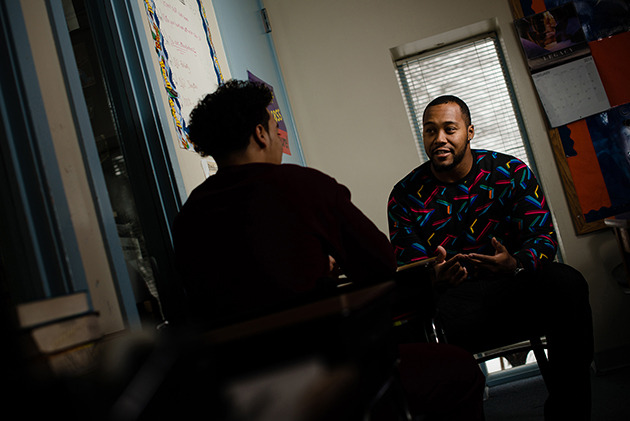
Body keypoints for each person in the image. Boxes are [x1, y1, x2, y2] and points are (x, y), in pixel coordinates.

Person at [173, 81, 485, 420]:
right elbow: (381, 266)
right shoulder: (306, 186)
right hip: (327, 376)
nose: (281, 137)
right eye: (276, 128)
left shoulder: (188, 215)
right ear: (261, 135)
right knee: (459, 368)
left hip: (239, 394)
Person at [388, 95, 594, 420]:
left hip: (514, 289)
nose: (439, 138)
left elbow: (542, 237)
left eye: (449, 129)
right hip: (451, 305)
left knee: (567, 283)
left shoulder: (510, 172)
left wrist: (518, 263)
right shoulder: (405, 196)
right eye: (430, 131)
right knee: (396, 330)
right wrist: (433, 277)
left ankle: (570, 414)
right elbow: (408, 268)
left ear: (469, 131)